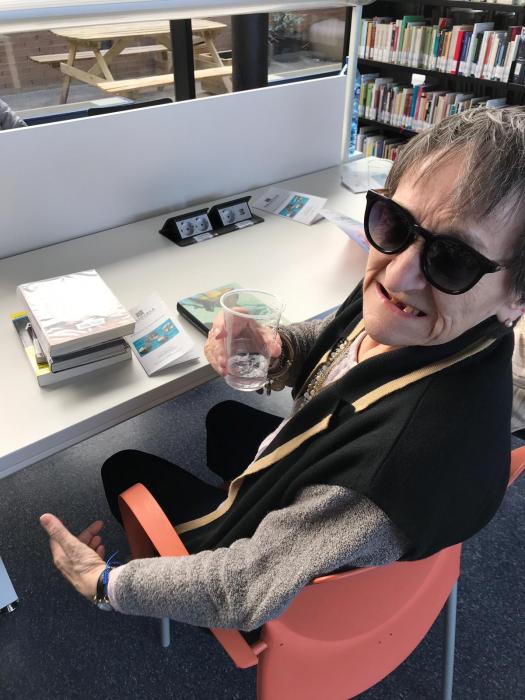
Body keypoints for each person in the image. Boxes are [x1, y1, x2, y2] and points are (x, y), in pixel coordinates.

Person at [41, 107, 525, 631]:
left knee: (123, 469)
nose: (399, 274)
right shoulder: (444, 327)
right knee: (223, 418)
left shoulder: (390, 470)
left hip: (257, 565)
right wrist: (280, 349)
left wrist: (105, 583)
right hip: (332, 483)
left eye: (453, 259)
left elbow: (241, 588)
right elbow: (342, 340)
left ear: (516, 298)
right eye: (395, 222)